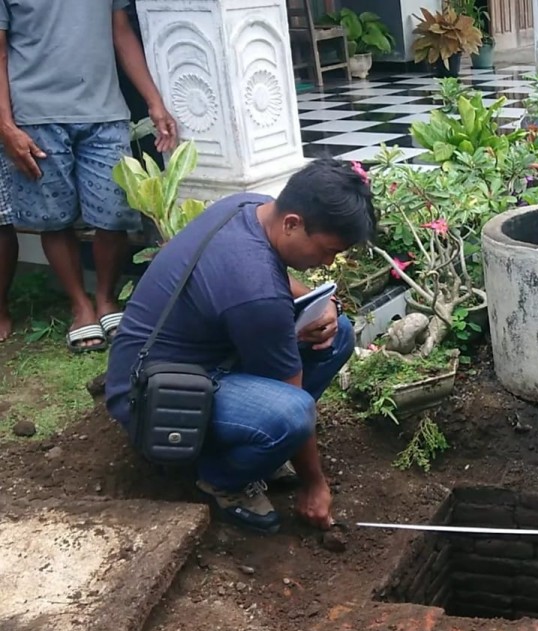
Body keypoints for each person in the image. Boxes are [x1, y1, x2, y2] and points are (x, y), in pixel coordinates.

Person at [105, 159, 376, 535]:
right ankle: (222, 479)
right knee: (292, 415)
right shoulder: (255, 293)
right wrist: (315, 484)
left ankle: (262, 445)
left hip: (189, 362)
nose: (326, 262)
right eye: (326, 250)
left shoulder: (251, 207)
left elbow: (274, 279)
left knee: (337, 331)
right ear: (292, 224)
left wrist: (324, 302)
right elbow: (292, 395)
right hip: (153, 399)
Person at [0, 0, 178, 349]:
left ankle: (106, 299)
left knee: (114, 212)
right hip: (35, 115)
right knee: (54, 219)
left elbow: (121, 32)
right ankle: (80, 305)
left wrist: (154, 101)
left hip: (105, 110)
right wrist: (5, 125)